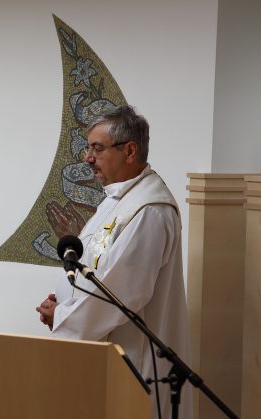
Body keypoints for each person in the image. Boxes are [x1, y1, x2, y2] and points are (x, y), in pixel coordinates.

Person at [35, 105, 191, 419]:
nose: (87, 158)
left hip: (134, 359)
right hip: (102, 354)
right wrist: (62, 298)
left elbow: (123, 293)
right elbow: (93, 266)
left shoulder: (149, 210)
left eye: (97, 148)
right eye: (88, 148)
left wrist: (63, 316)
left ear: (129, 151)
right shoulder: (117, 200)